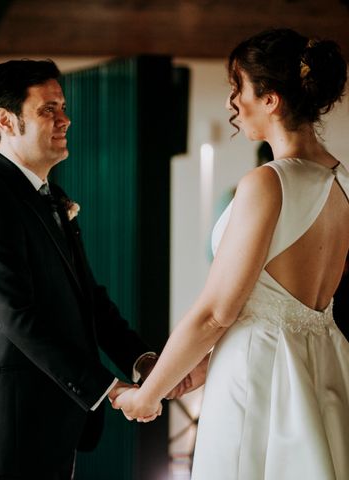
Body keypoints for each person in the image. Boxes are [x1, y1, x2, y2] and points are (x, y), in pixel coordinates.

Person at [113, 28, 349, 479]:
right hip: (323, 366)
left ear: (271, 99)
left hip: (259, 376)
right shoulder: (340, 182)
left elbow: (216, 312)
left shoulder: (268, 181)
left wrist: (150, 394)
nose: (231, 103)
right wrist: (198, 367)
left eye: (237, 88)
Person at [0, 59, 193, 480]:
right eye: (48, 109)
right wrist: (110, 387)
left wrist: (144, 362)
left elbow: (90, 299)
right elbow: (21, 320)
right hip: (13, 430)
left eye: (62, 106)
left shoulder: (51, 196)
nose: (65, 118)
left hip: (57, 423)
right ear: (6, 121)